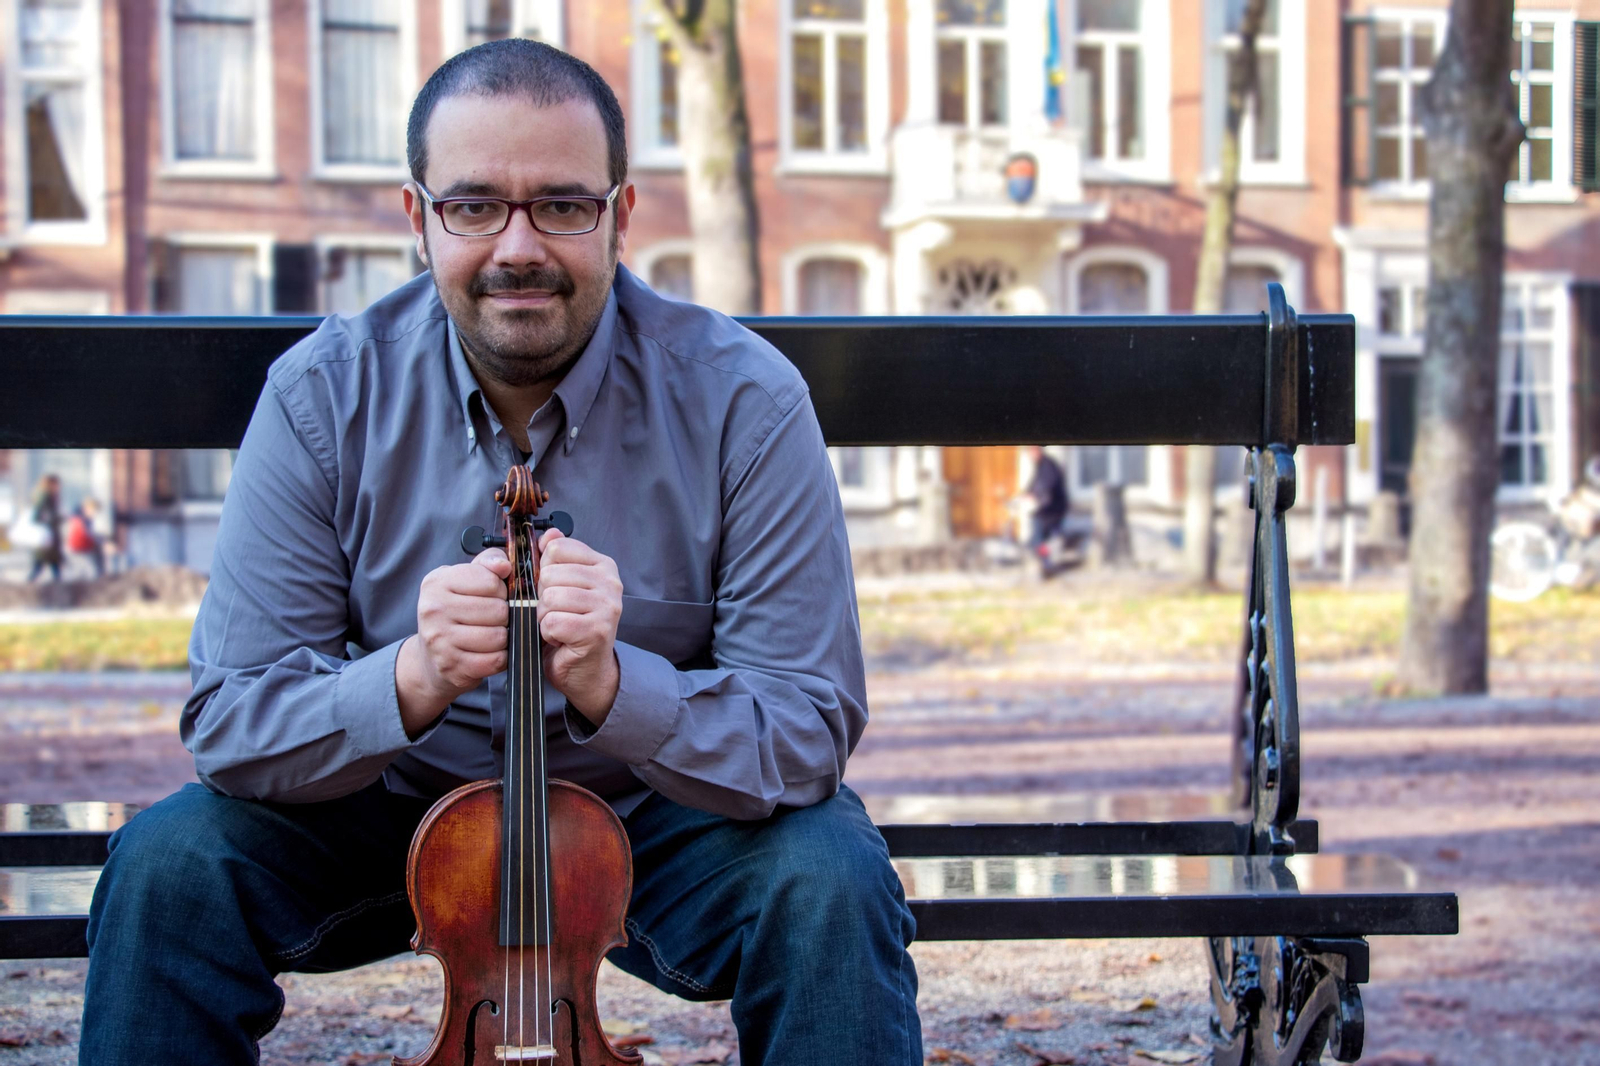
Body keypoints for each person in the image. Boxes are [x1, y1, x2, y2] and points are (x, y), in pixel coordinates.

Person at [80, 39, 920, 1066]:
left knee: (830, 874)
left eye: (562, 206)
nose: (517, 246)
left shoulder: (743, 398)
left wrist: (620, 688)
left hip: (651, 820)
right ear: (416, 218)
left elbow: (807, 723)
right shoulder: (322, 394)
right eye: (474, 205)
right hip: (382, 812)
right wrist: (410, 676)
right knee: (169, 864)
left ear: (620, 215)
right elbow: (231, 717)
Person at [1024, 446, 1069, 576]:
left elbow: (1047, 490)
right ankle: (1046, 564)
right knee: (1037, 543)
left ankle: (1047, 565)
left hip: (1051, 511)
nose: (1030, 455)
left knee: (1037, 541)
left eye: (1031, 451)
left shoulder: (1048, 467)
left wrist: (1035, 499)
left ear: (1037, 450)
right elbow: (1033, 486)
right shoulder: (1040, 466)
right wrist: (1026, 495)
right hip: (1045, 510)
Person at [25, 474, 63, 584]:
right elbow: (37, 516)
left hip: (48, 537)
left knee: (49, 565)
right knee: (42, 565)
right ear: (51, 484)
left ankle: (58, 589)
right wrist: (56, 519)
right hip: (47, 537)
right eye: (57, 484)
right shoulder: (45, 496)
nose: (58, 487)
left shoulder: (44, 495)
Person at [65, 496, 107, 579]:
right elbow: (85, 535)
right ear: (88, 508)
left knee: (81, 573)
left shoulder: (79, 518)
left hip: (78, 549)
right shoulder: (81, 520)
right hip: (80, 550)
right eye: (94, 511)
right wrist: (100, 541)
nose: (95, 514)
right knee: (92, 573)